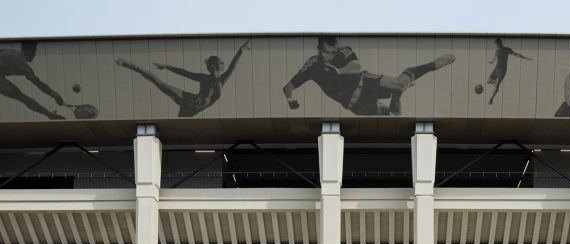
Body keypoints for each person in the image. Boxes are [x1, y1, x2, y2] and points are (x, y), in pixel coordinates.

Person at [283, 36, 455, 115]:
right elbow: (288, 87)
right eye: (327, 53)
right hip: (356, 104)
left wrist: (340, 71)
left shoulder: (343, 51)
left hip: (364, 82)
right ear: (319, 50)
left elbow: (356, 66)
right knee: (392, 120)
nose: (331, 55)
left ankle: (432, 65)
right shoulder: (312, 65)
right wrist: (290, 100)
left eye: (333, 51)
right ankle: (397, 97)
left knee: (399, 83)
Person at [116, 40, 250, 117]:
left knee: (178, 121)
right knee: (160, 83)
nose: (224, 64)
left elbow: (232, 66)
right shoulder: (205, 78)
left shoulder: (222, 80)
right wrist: (167, 67)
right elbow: (184, 73)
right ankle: (132, 66)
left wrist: (240, 51)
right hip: (192, 101)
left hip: (194, 107)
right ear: (215, 65)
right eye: (221, 62)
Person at [0, 42, 65, 120]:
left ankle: (50, 115)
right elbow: (39, 84)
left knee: (21, 96)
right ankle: (50, 115)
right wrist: (55, 95)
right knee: (23, 98)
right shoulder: (24, 65)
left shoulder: (10, 51)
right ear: (29, 51)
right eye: (34, 51)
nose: (35, 54)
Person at [487, 38, 531, 105]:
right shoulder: (497, 50)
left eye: (498, 44)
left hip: (503, 69)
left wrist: (525, 58)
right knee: (488, 81)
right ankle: (494, 83)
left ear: (500, 42)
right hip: (496, 68)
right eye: (496, 45)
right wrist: (491, 61)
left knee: (498, 83)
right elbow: (495, 57)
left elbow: (516, 54)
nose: (497, 46)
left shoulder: (507, 49)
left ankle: (491, 98)